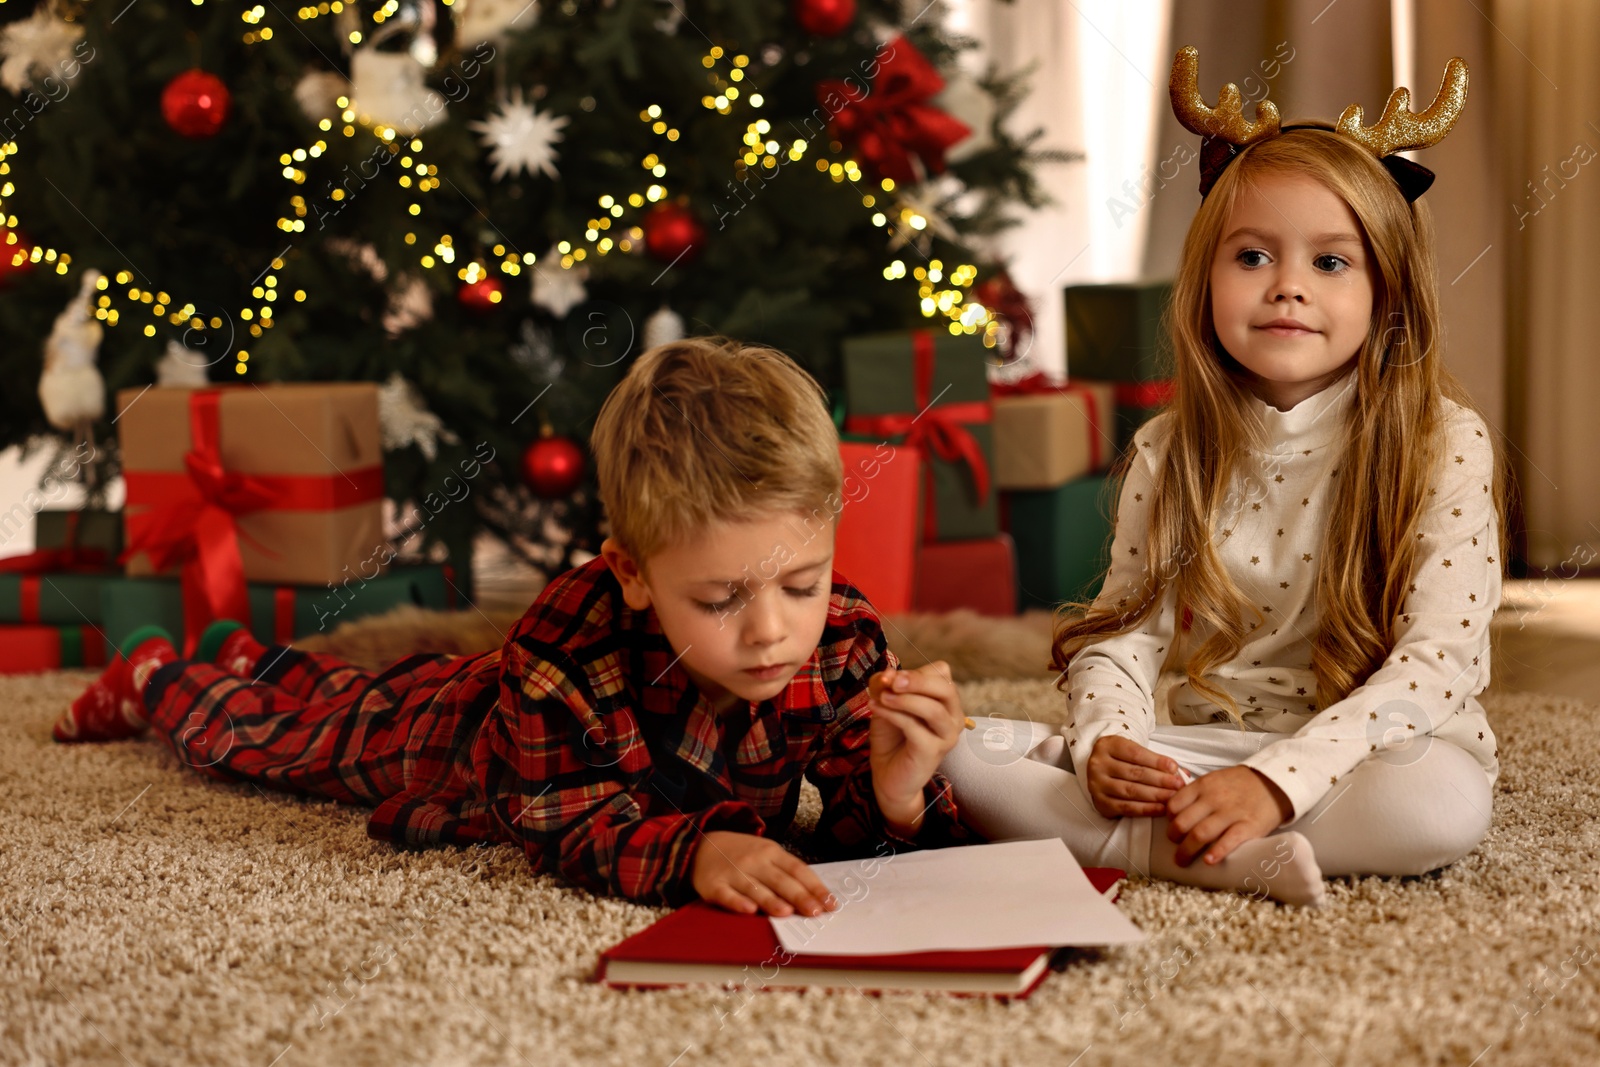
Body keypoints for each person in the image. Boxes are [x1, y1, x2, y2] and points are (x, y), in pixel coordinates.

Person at [54, 337, 974, 914]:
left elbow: (864, 838)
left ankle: (248, 654)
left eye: (802, 583)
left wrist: (895, 791)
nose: (775, 632)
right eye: (721, 599)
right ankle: (160, 675)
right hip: (459, 736)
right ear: (633, 572)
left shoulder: (845, 638)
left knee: (330, 686)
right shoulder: (570, 641)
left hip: (520, 732)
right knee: (290, 734)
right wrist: (692, 851)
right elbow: (561, 820)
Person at [939, 48, 1508, 906]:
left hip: (1370, 756)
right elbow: (1123, 634)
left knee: (1440, 806)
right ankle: (1207, 844)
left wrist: (1278, 784)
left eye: (1329, 262)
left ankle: (1157, 844)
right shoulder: (1170, 450)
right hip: (1203, 752)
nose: (1286, 287)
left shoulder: (1442, 441)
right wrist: (1106, 747)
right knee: (952, 753)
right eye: (1252, 258)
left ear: (1387, 293)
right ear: (1205, 278)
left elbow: (1437, 663)